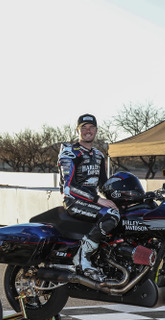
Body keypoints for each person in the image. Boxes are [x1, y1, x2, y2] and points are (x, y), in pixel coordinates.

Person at [58, 113, 120, 282]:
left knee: (124, 213)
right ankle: (82, 257)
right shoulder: (70, 153)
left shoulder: (99, 155)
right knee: (111, 215)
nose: (88, 131)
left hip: (92, 201)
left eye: (91, 127)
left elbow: (104, 185)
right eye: (83, 127)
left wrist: (125, 198)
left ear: (96, 130)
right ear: (77, 130)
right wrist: (98, 200)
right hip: (73, 201)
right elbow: (69, 187)